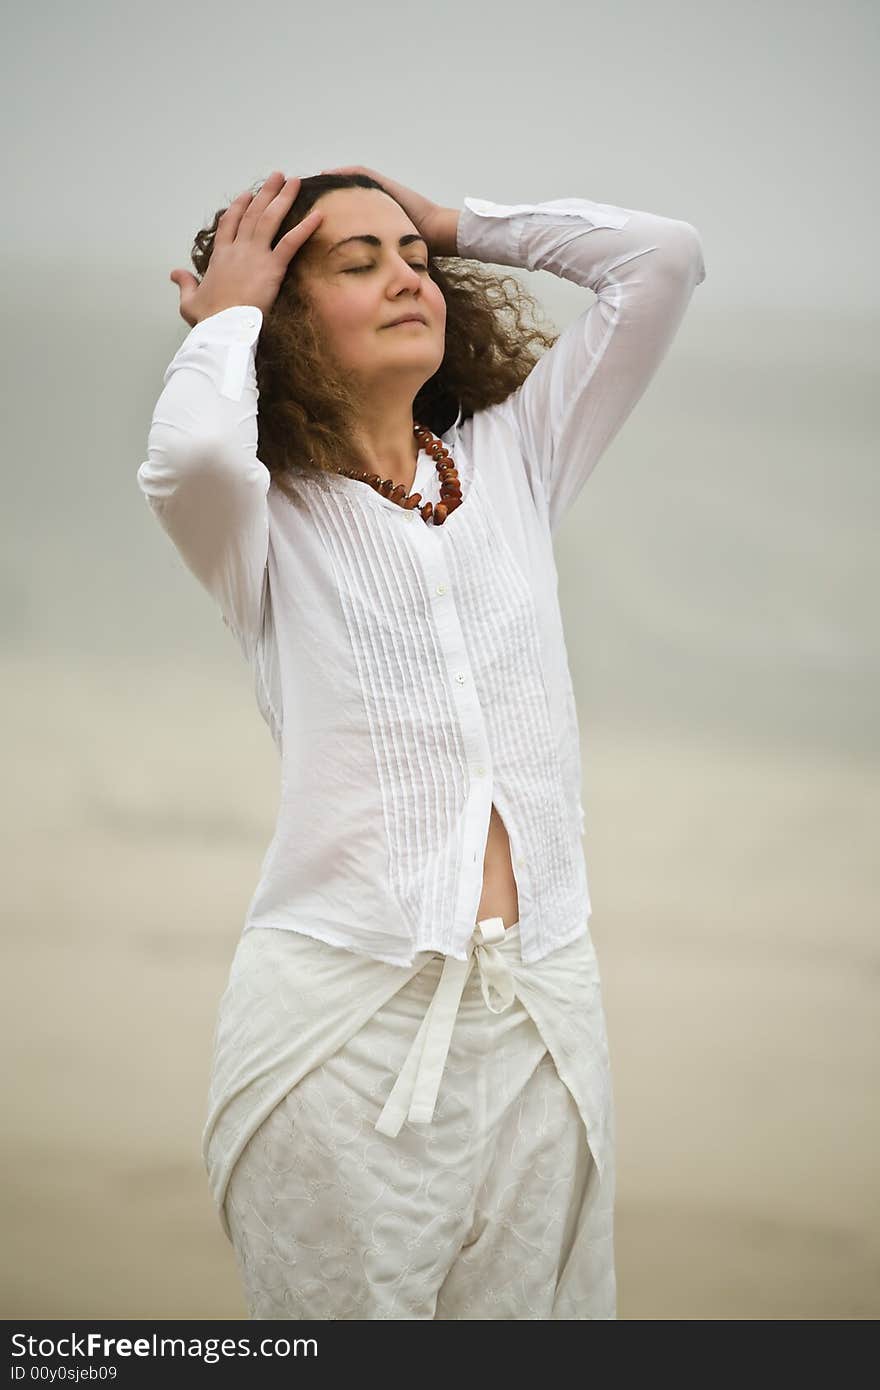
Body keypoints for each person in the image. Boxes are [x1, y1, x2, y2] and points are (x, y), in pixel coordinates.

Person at [137, 165, 706, 1319]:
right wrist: (230, 312)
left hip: (544, 1017)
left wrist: (452, 219)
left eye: (417, 262)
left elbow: (662, 261)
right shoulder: (258, 520)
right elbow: (190, 456)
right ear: (287, 322)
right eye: (359, 264)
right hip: (343, 1031)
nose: (409, 277)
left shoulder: (514, 461)